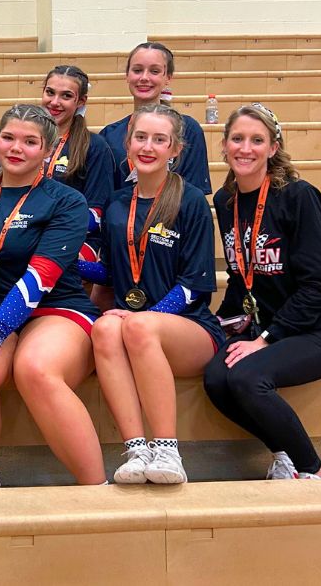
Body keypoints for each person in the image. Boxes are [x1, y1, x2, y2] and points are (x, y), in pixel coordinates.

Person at [0, 104, 103, 488]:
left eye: (30, 141)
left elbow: (43, 274)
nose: (16, 148)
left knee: (35, 368)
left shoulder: (67, 201)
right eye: (8, 137)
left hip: (55, 308)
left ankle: (97, 489)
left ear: (48, 151)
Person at [204, 103, 321, 481]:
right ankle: (284, 456)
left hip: (318, 331)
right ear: (224, 146)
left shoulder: (299, 196)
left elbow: (318, 287)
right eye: (237, 139)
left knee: (246, 377)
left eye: (257, 140)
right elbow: (242, 278)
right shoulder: (225, 201)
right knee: (216, 379)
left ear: (273, 148)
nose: (245, 148)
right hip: (263, 329)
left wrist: (265, 340)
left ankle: (314, 471)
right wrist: (218, 324)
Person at [88, 104, 222, 485]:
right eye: (141, 138)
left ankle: (168, 450)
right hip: (137, 327)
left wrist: (141, 317)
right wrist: (70, 265)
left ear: (175, 150)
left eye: (159, 140)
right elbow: (113, 273)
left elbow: (194, 284)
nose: (148, 147)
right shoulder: (117, 203)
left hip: (189, 329)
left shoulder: (190, 199)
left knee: (138, 327)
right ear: (128, 144)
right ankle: (136, 449)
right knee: (104, 330)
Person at [99, 42, 212, 194]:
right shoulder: (109, 135)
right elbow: (106, 196)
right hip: (125, 216)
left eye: (154, 71)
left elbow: (195, 196)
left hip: (173, 215)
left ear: (168, 78)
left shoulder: (188, 129)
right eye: (137, 70)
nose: (144, 77)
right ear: (127, 75)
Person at [39, 65, 116, 263]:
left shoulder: (95, 146)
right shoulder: (25, 139)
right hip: (31, 229)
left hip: (80, 236)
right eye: (50, 92)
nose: (54, 102)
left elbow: (98, 210)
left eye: (66, 96)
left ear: (80, 101)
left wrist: (53, 229)